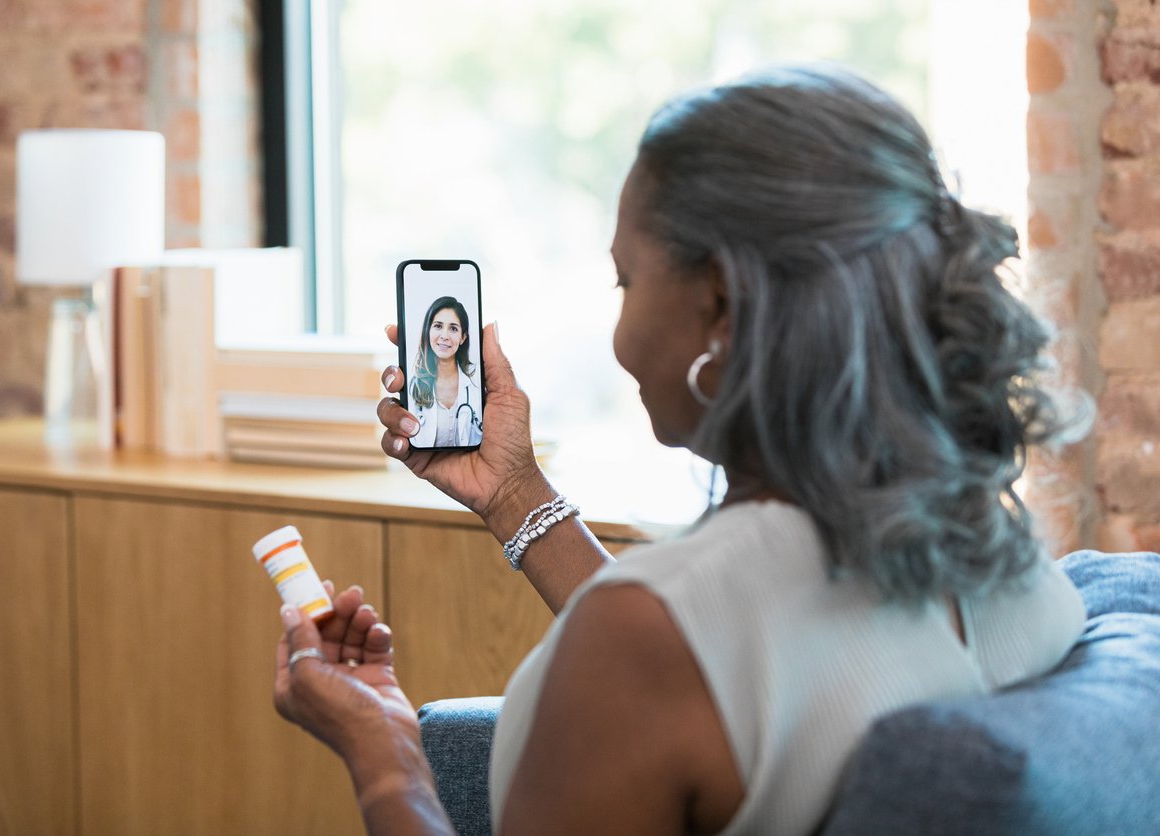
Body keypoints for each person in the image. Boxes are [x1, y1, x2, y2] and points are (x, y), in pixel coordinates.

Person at [271, 64, 1087, 835]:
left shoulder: (643, 638)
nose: (620, 331)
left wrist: (386, 755)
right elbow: (725, 659)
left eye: (626, 281)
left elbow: (686, 646)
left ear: (721, 306)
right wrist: (512, 489)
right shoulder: (1006, 556)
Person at [407, 295, 483, 449]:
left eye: (453, 328)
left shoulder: (477, 387)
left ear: (463, 337)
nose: (444, 336)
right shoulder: (413, 386)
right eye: (438, 326)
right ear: (428, 331)